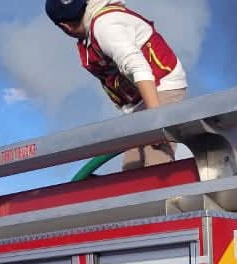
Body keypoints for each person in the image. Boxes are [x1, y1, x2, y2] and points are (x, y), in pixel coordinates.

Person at [46, 0, 188, 169]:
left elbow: (138, 66)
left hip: (162, 85)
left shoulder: (105, 26)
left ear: (64, 27)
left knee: (156, 160)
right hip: (138, 98)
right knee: (131, 168)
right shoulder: (89, 33)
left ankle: (168, 193)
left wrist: (157, 121)